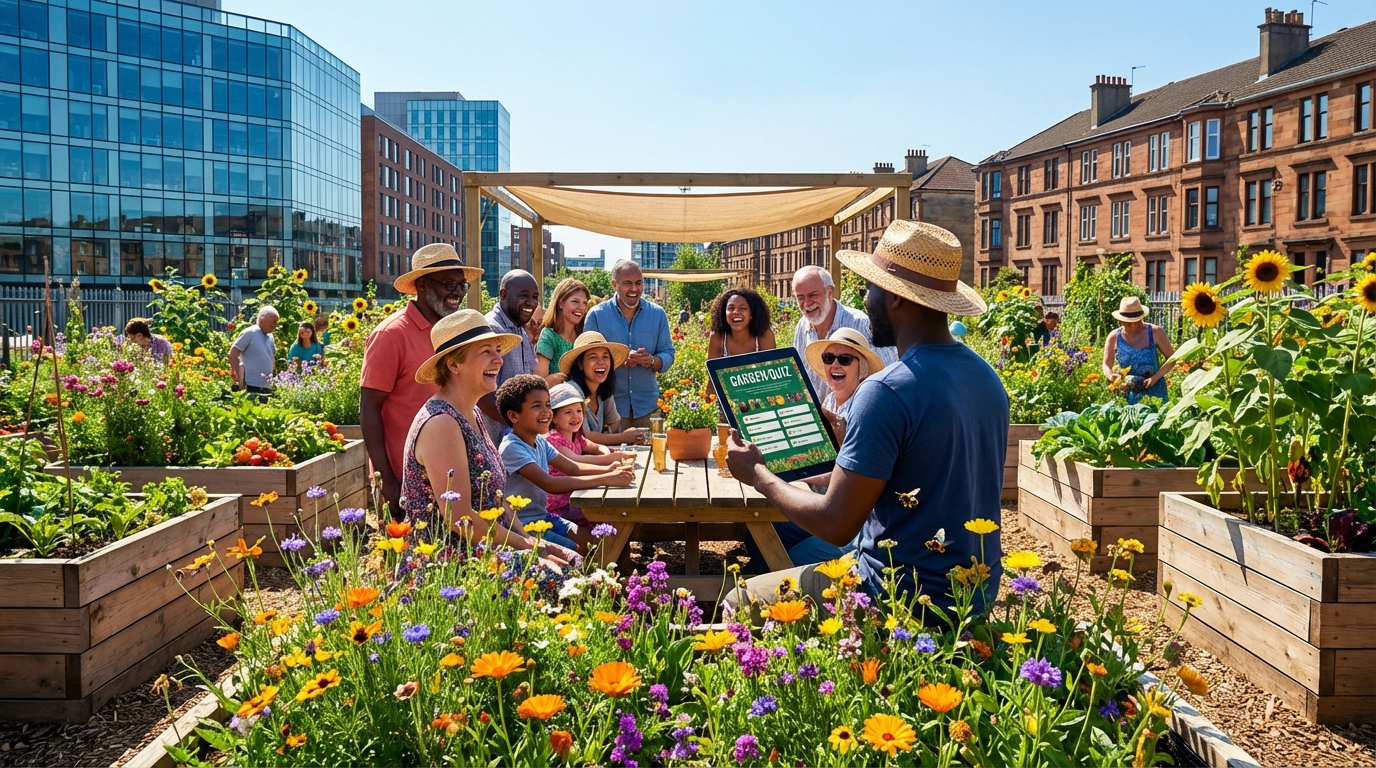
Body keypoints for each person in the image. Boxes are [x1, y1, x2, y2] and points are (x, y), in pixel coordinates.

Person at [725, 219, 1008, 619]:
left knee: (738, 602)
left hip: (898, 593)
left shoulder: (887, 390)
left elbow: (836, 523)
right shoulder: (985, 377)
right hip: (972, 593)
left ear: (896, 299)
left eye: (871, 286)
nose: (864, 298)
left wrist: (757, 473)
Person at [403, 309, 576, 570]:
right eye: (486, 352)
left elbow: (496, 497)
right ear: (453, 364)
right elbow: (459, 519)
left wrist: (528, 539)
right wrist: (528, 547)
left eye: (497, 350)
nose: (499, 360)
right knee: (571, 578)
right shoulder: (442, 423)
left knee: (574, 561)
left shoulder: (470, 412)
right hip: (454, 563)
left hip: (493, 545)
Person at [361, 243, 481, 519]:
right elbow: (369, 409)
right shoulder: (391, 334)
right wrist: (388, 483)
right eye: (449, 284)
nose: (458, 293)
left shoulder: (452, 335)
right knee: (406, 558)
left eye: (463, 285)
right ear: (422, 285)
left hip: (450, 473)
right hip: (406, 479)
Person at [497, 374, 635, 554]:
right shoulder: (512, 447)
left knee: (597, 542)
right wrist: (607, 478)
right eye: (537, 406)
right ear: (514, 416)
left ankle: (621, 574)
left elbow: (573, 467)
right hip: (524, 526)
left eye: (547, 405)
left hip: (543, 517)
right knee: (575, 550)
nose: (546, 411)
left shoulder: (540, 441)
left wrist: (609, 469)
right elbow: (550, 484)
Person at [583, 260, 675, 429]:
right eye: (627, 284)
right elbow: (587, 359)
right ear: (614, 285)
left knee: (651, 454)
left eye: (638, 283)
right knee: (614, 455)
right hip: (609, 408)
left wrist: (652, 361)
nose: (634, 289)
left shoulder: (657, 314)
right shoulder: (597, 315)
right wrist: (618, 360)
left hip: (648, 407)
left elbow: (668, 353)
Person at [790, 264, 897, 394]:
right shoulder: (802, 326)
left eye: (813, 295)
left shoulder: (859, 323)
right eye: (800, 297)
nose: (807, 303)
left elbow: (890, 373)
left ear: (830, 291)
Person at [545, 382, 637, 526]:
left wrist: (606, 455)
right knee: (611, 511)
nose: (575, 416)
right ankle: (609, 546)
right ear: (554, 418)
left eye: (579, 411)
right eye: (568, 412)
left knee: (616, 508)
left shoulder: (577, 435)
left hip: (578, 494)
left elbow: (597, 447)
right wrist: (611, 460)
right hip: (561, 505)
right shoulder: (553, 438)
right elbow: (576, 461)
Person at [478, 270, 540, 442]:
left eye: (535, 296)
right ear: (503, 295)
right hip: (495, 440)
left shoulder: (520, 328)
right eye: (524, 295)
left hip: (517, 439)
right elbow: (481, 393)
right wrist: (521, 424)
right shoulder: (491, 329)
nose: (531, 302)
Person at [560, 331, 647, 447]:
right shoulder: (571, 392)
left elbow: (614, 425)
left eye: (605, 357)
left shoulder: (602, 390)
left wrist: (630, 435)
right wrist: (624, 437)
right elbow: (585, 437)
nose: (601, 362)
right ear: (580, 364)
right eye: (593, 358)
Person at [1103, 297, 1175, 404]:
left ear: (1140, 319)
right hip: (1129, 392)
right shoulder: (1114, 337)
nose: (1125, 324)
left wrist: (1154, 378)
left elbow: (1172, 359)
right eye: (1123, 322)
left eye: (1130, 323)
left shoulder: (1155, 332)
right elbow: (1106, 364)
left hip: (1155, 390)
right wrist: (1110, 375)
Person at [534, 277, 590, 385]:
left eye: (584, 303)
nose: (581, 307)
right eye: (575, 301)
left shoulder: (583, 336)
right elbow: (538, 384)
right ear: (561, 303)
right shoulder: (548, 335)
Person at [706, 287, 776, 359]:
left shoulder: (764, 336)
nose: (736, 312)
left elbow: (771, 367)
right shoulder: (718, 338)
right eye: (731, 308)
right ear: (724, 313)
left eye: (743, 308)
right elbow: (712, 369)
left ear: (752, 314)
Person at [229, 306, 279, 398]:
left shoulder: (270, 337)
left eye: (276, 322)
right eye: (273, 322)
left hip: (266, 386)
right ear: (262, 319)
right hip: (251, 386)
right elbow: (233, 354)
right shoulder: (250, 333)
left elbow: (271, 358)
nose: (275, 325)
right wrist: (238, 379)